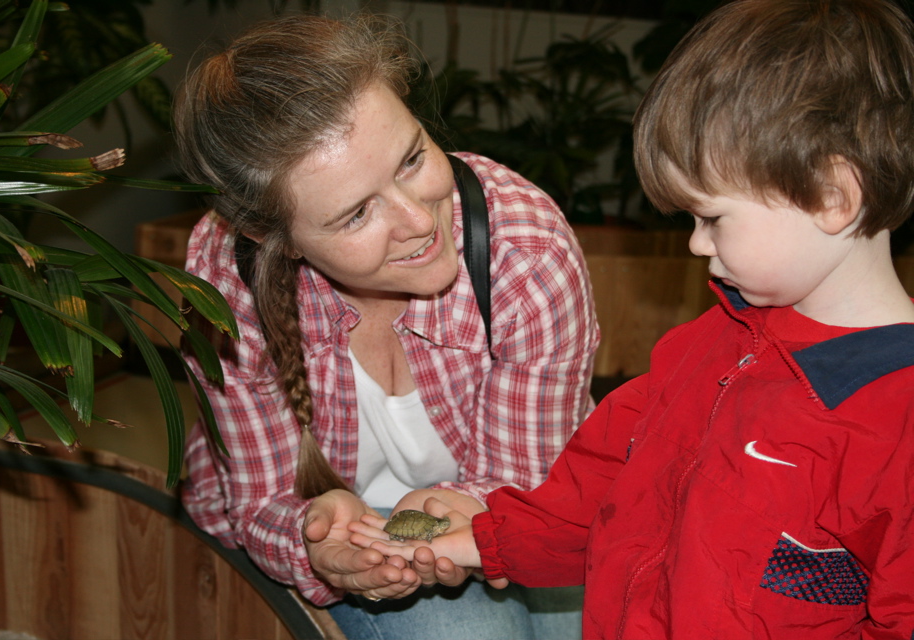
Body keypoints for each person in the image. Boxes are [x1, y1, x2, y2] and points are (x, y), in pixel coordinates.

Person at [352, 0, 914, 637]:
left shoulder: (898, 419)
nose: (698, 244)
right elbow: (601, 492)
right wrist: (482, 540)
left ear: (832, 196)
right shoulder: (704, 348)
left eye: (714, 218)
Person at [171, 13, 598, 640]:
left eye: (413, 158)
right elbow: (260, 503)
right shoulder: (226, 273)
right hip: (341, 520)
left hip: (511, 496)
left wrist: (466, 509)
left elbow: (526, 478)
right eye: (354, 215)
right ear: (270, 236)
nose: (419, 220)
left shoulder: (525, 251)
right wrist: (315, 542)